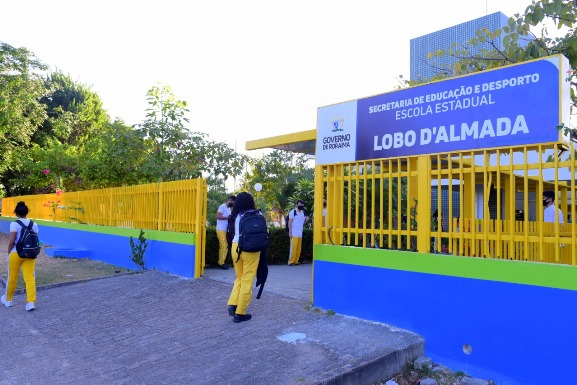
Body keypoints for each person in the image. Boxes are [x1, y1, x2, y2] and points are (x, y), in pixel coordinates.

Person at [226, 192, 261, 323]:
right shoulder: (257, 214)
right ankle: (240, 313)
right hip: (250, 249)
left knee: (239, 277)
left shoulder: (237, 215)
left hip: (236, 247)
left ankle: (233, 303)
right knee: (247, 279)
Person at [1, 201, 38, 311]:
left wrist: (8, 252)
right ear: (27, 212)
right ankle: (31, 302)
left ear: (16, 213)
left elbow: (12, 241)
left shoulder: (14, 224)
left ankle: (8, 300)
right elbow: (35, 240)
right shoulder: (34, 224)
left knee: (12, 277)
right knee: (30, 278)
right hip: (30, 254)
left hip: (15, 253)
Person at [215, 195, 235, 269]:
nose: (232, 204)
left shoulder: (229, 209)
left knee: (224, 246)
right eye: (232, 202)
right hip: (220, 229)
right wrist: (228, 217)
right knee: (223, 245)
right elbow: (218, 216)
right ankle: (221, 263)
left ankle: (222, 262)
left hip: (225, 230)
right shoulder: (222, 206)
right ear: (228, 200)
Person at [288, 199, 309, 265]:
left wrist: (306, 220)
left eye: (302, 205)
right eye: (299, 205)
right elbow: (290, 222)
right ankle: (291, 261)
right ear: (297, 205)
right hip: (294, 233)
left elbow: (302, 222)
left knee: (298, 248)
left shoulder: (302, 213)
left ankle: (296, 261)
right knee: (293, 248)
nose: (301, 206)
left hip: (300, 233)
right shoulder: (293, 212)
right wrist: (290, 232)